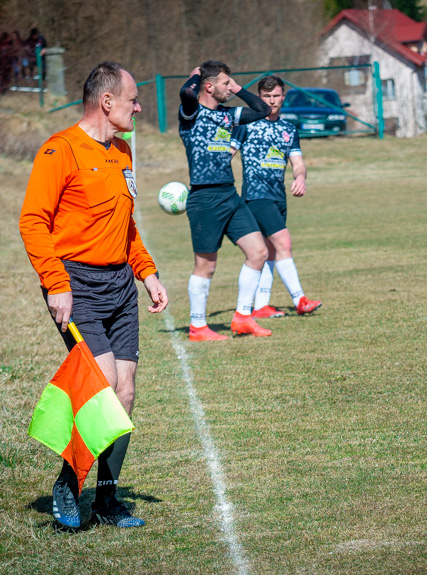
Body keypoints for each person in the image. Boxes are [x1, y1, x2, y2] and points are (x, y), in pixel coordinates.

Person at [19, 62, 168, 529]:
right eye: (133, 99)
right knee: (102, 393)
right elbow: (32, 222)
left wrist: (148, 273)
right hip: (77, 286)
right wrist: (56, 283)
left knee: (125, 393)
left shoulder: (123, 151)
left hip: (121, 285)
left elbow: (125, 226)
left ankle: (106, 502)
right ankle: (68, 480)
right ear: (107, 102)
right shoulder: (59, 150)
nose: (139, 107)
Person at [178, 60, 273, 341]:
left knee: (259, 253)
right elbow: (186, 93)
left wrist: (238, 87)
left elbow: (263, 110)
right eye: (224, 83)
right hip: (204, 198)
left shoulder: (228, 115)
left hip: (230, 194)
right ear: (208, 86)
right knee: (206, 265)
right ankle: (198, 327)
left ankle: (243, 317)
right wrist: (196, 75)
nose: (229, 88)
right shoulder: (191, 113)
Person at [230, 76, 322, 318]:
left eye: (276, 96)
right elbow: (227, 154)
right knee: (284, 243)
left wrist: (300, 178)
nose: (271, 100)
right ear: (260, 98)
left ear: (283, 97)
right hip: (256, 196)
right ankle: (299, 299)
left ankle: (260, 306)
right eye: (266, 96)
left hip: (278, 196)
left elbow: (298, 163)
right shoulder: (246, 124)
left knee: (269, 251)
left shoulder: (288, 129)